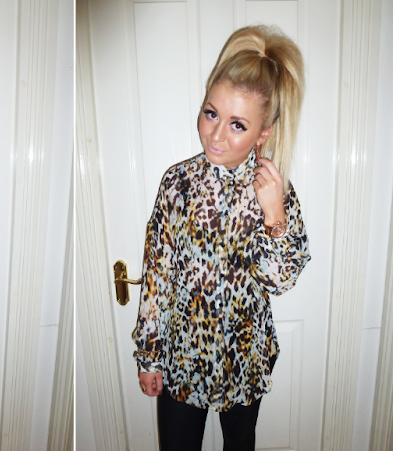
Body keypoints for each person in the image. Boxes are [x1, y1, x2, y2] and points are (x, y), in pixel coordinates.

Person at [132, 25, 310, 451]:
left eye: (237, 125)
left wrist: (274, 214)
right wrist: (149, 355)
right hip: (182, 355)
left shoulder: (274, 191)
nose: (216, 135)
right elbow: (156, 275)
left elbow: (281, 281)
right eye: (211, 113)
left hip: (244, 357)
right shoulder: (177, 183)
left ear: (263, 133)